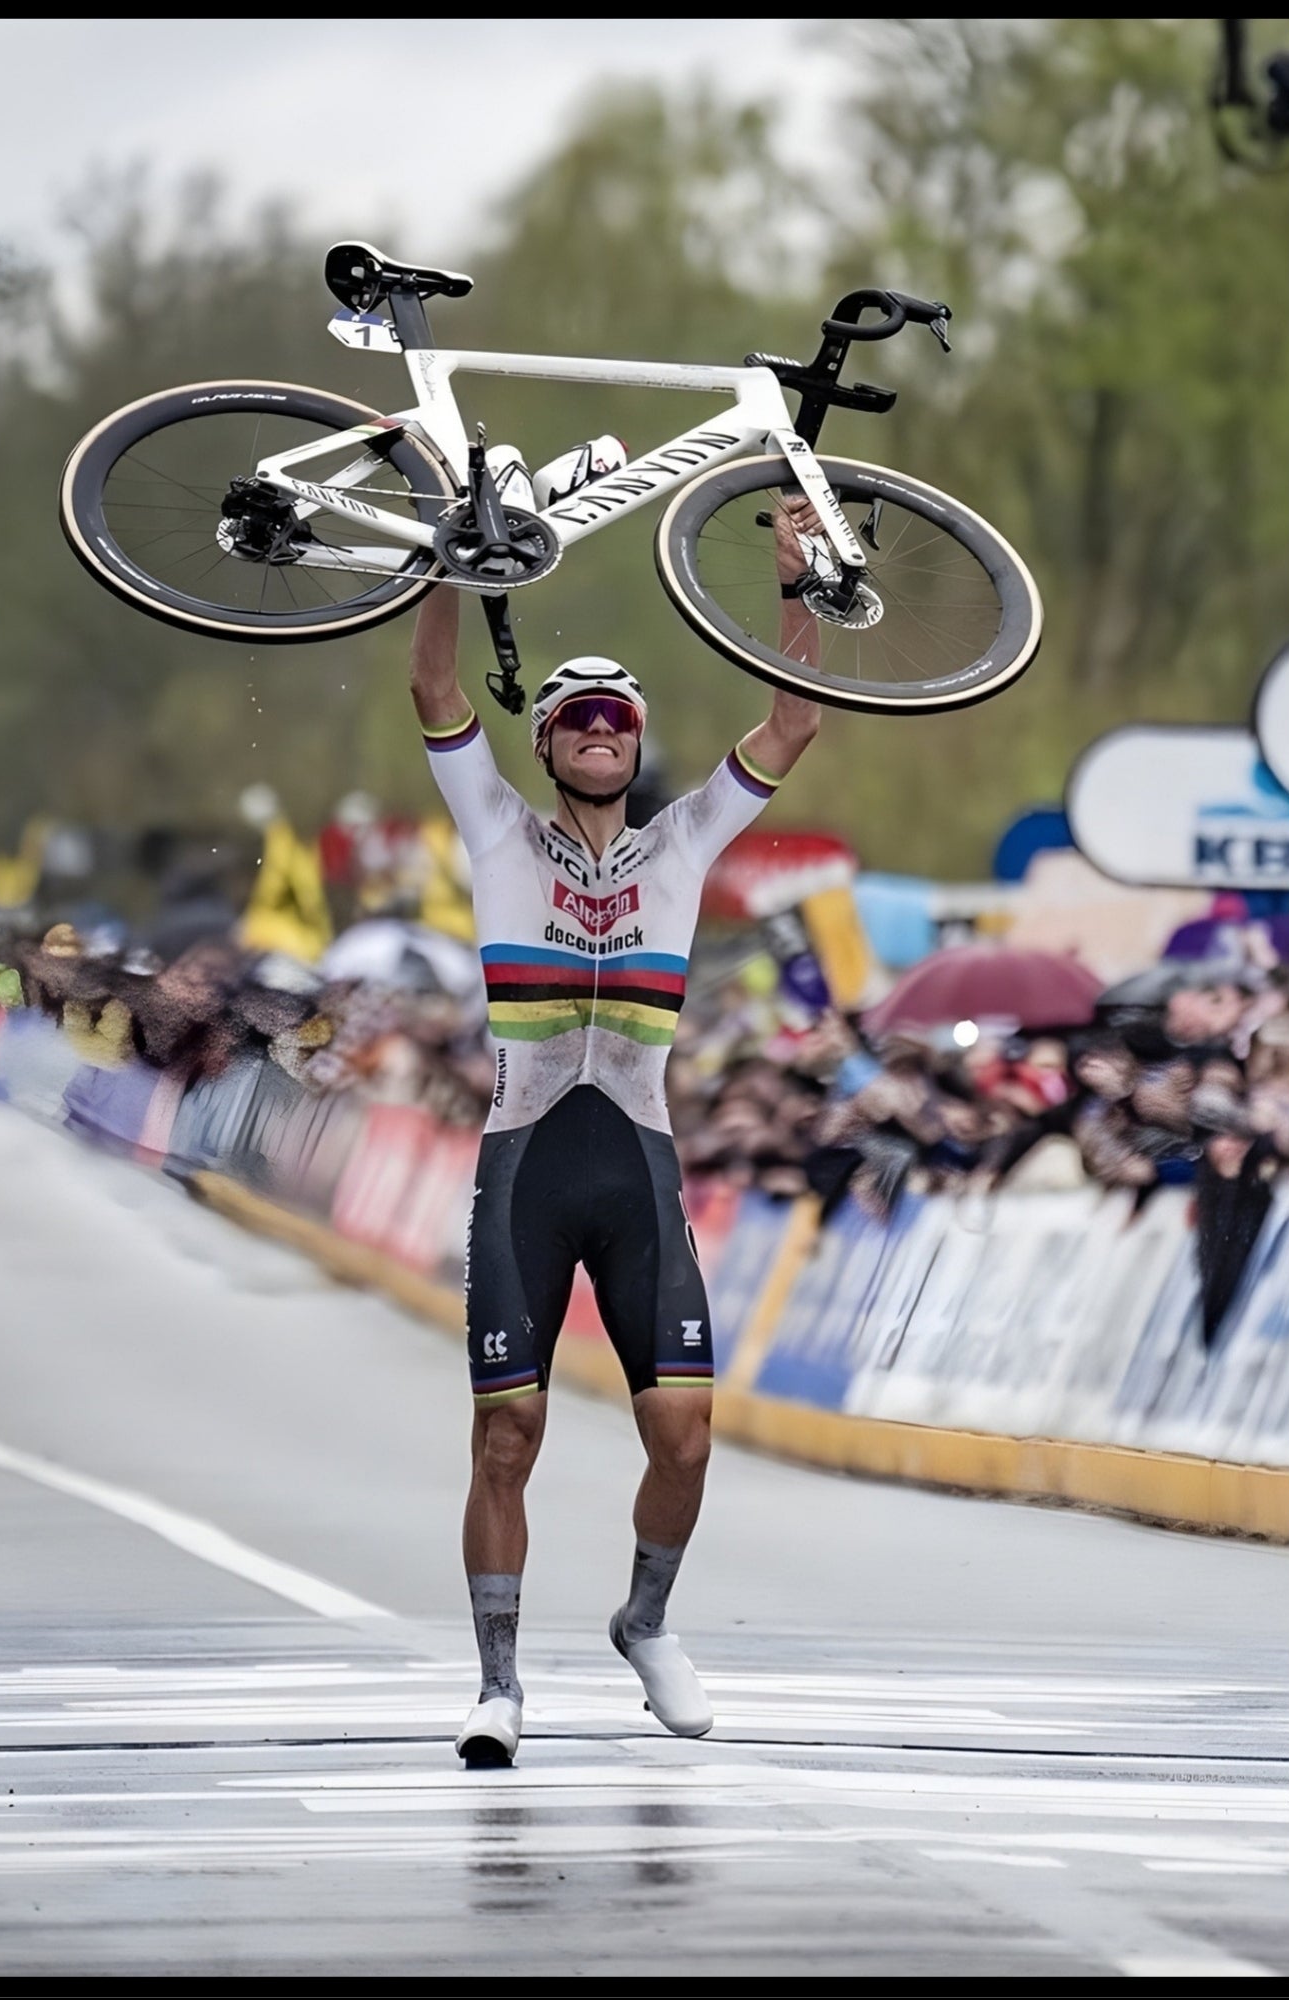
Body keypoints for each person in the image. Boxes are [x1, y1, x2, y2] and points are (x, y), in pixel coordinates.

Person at [408, 498, 824, 1768]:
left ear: (637, 745)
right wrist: (444, 549)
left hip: (635, 1160)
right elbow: (431, 675)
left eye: (619, 721)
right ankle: (496, 1684)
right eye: (577, 720)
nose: (599, 732)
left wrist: (793, 572)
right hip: (527, 1161)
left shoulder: (687, 837)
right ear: (546, 744)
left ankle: (643, 1623)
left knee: (686, 1433)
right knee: (506, 1434)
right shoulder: (494, 827)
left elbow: (792, 721)